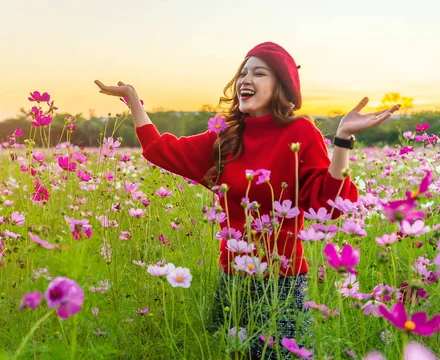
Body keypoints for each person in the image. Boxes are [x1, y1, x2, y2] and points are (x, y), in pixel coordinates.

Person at [94, 41, 401, 359]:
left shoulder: (300, 131)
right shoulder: (226, 135)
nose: (245, 80)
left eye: (259, 73)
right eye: (242, 73)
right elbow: (160, 150)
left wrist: (342, 141)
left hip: (281, 280)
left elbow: (328, 204)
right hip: (232, 276)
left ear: (280, 85)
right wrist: (132, 99)